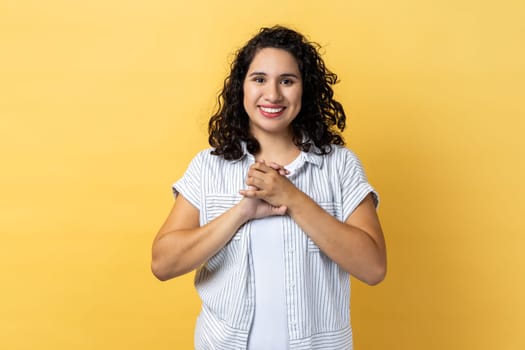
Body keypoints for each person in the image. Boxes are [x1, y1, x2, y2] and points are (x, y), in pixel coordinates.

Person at [151, 25, 387, 350]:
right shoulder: (209, 166)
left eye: (287, 81)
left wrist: (290, 197)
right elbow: (163, 264)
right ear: (241, 88)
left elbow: (373, 268)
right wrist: (242, 213)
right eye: (259, 79)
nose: (273, 94)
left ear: (305, 90)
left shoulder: (339, 165)